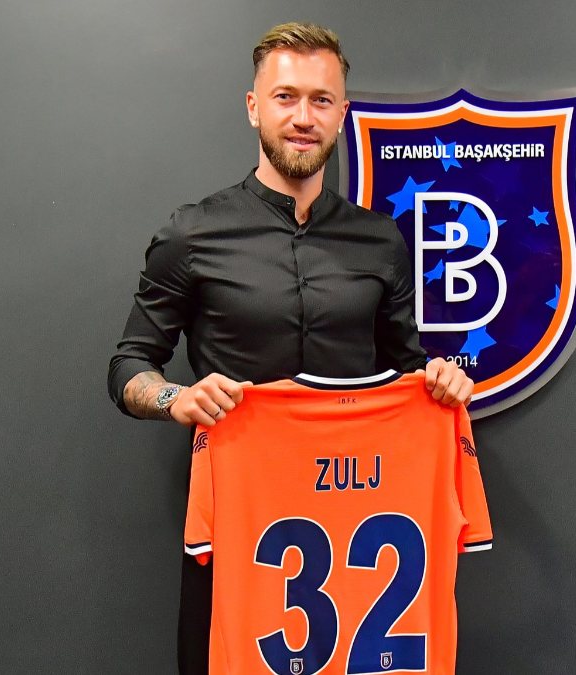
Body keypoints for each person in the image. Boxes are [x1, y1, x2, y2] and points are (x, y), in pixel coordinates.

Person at [106, 22, 473, 673]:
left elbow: (408, 368)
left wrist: (440, 381)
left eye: (321, 100)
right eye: (286, 97)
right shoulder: (192, 234)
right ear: (254, 107)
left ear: (342, 113)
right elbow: (129, 365)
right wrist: (175, 398)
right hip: (237, 528)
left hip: (358, 536)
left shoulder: (381, 240)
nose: (304, 117)